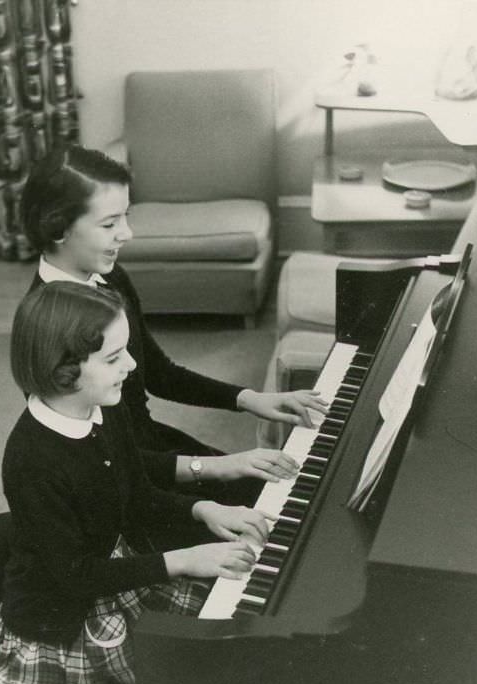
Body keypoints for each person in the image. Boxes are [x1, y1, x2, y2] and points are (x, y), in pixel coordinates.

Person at [0, 280, 272, 684]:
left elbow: (137, 497)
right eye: (114, 356)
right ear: (65, 369)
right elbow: (72, 576)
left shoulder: (102, 410)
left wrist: (204, 509)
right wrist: (182, 561)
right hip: (64, 617)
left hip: (111, 572)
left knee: (231, 636)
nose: (132, 365)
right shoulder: (31, 458)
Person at [20, 144, 327, 503]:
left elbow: (160, 373)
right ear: (59, 228)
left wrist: (250, 399)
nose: (127, 234)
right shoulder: (48, 327)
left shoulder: (109, 277)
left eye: (126, 216)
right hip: (119, 492)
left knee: (287, 487)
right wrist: (214, 467)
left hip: (152, 450)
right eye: (109, 224)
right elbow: (100, 464)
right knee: (271, 505)